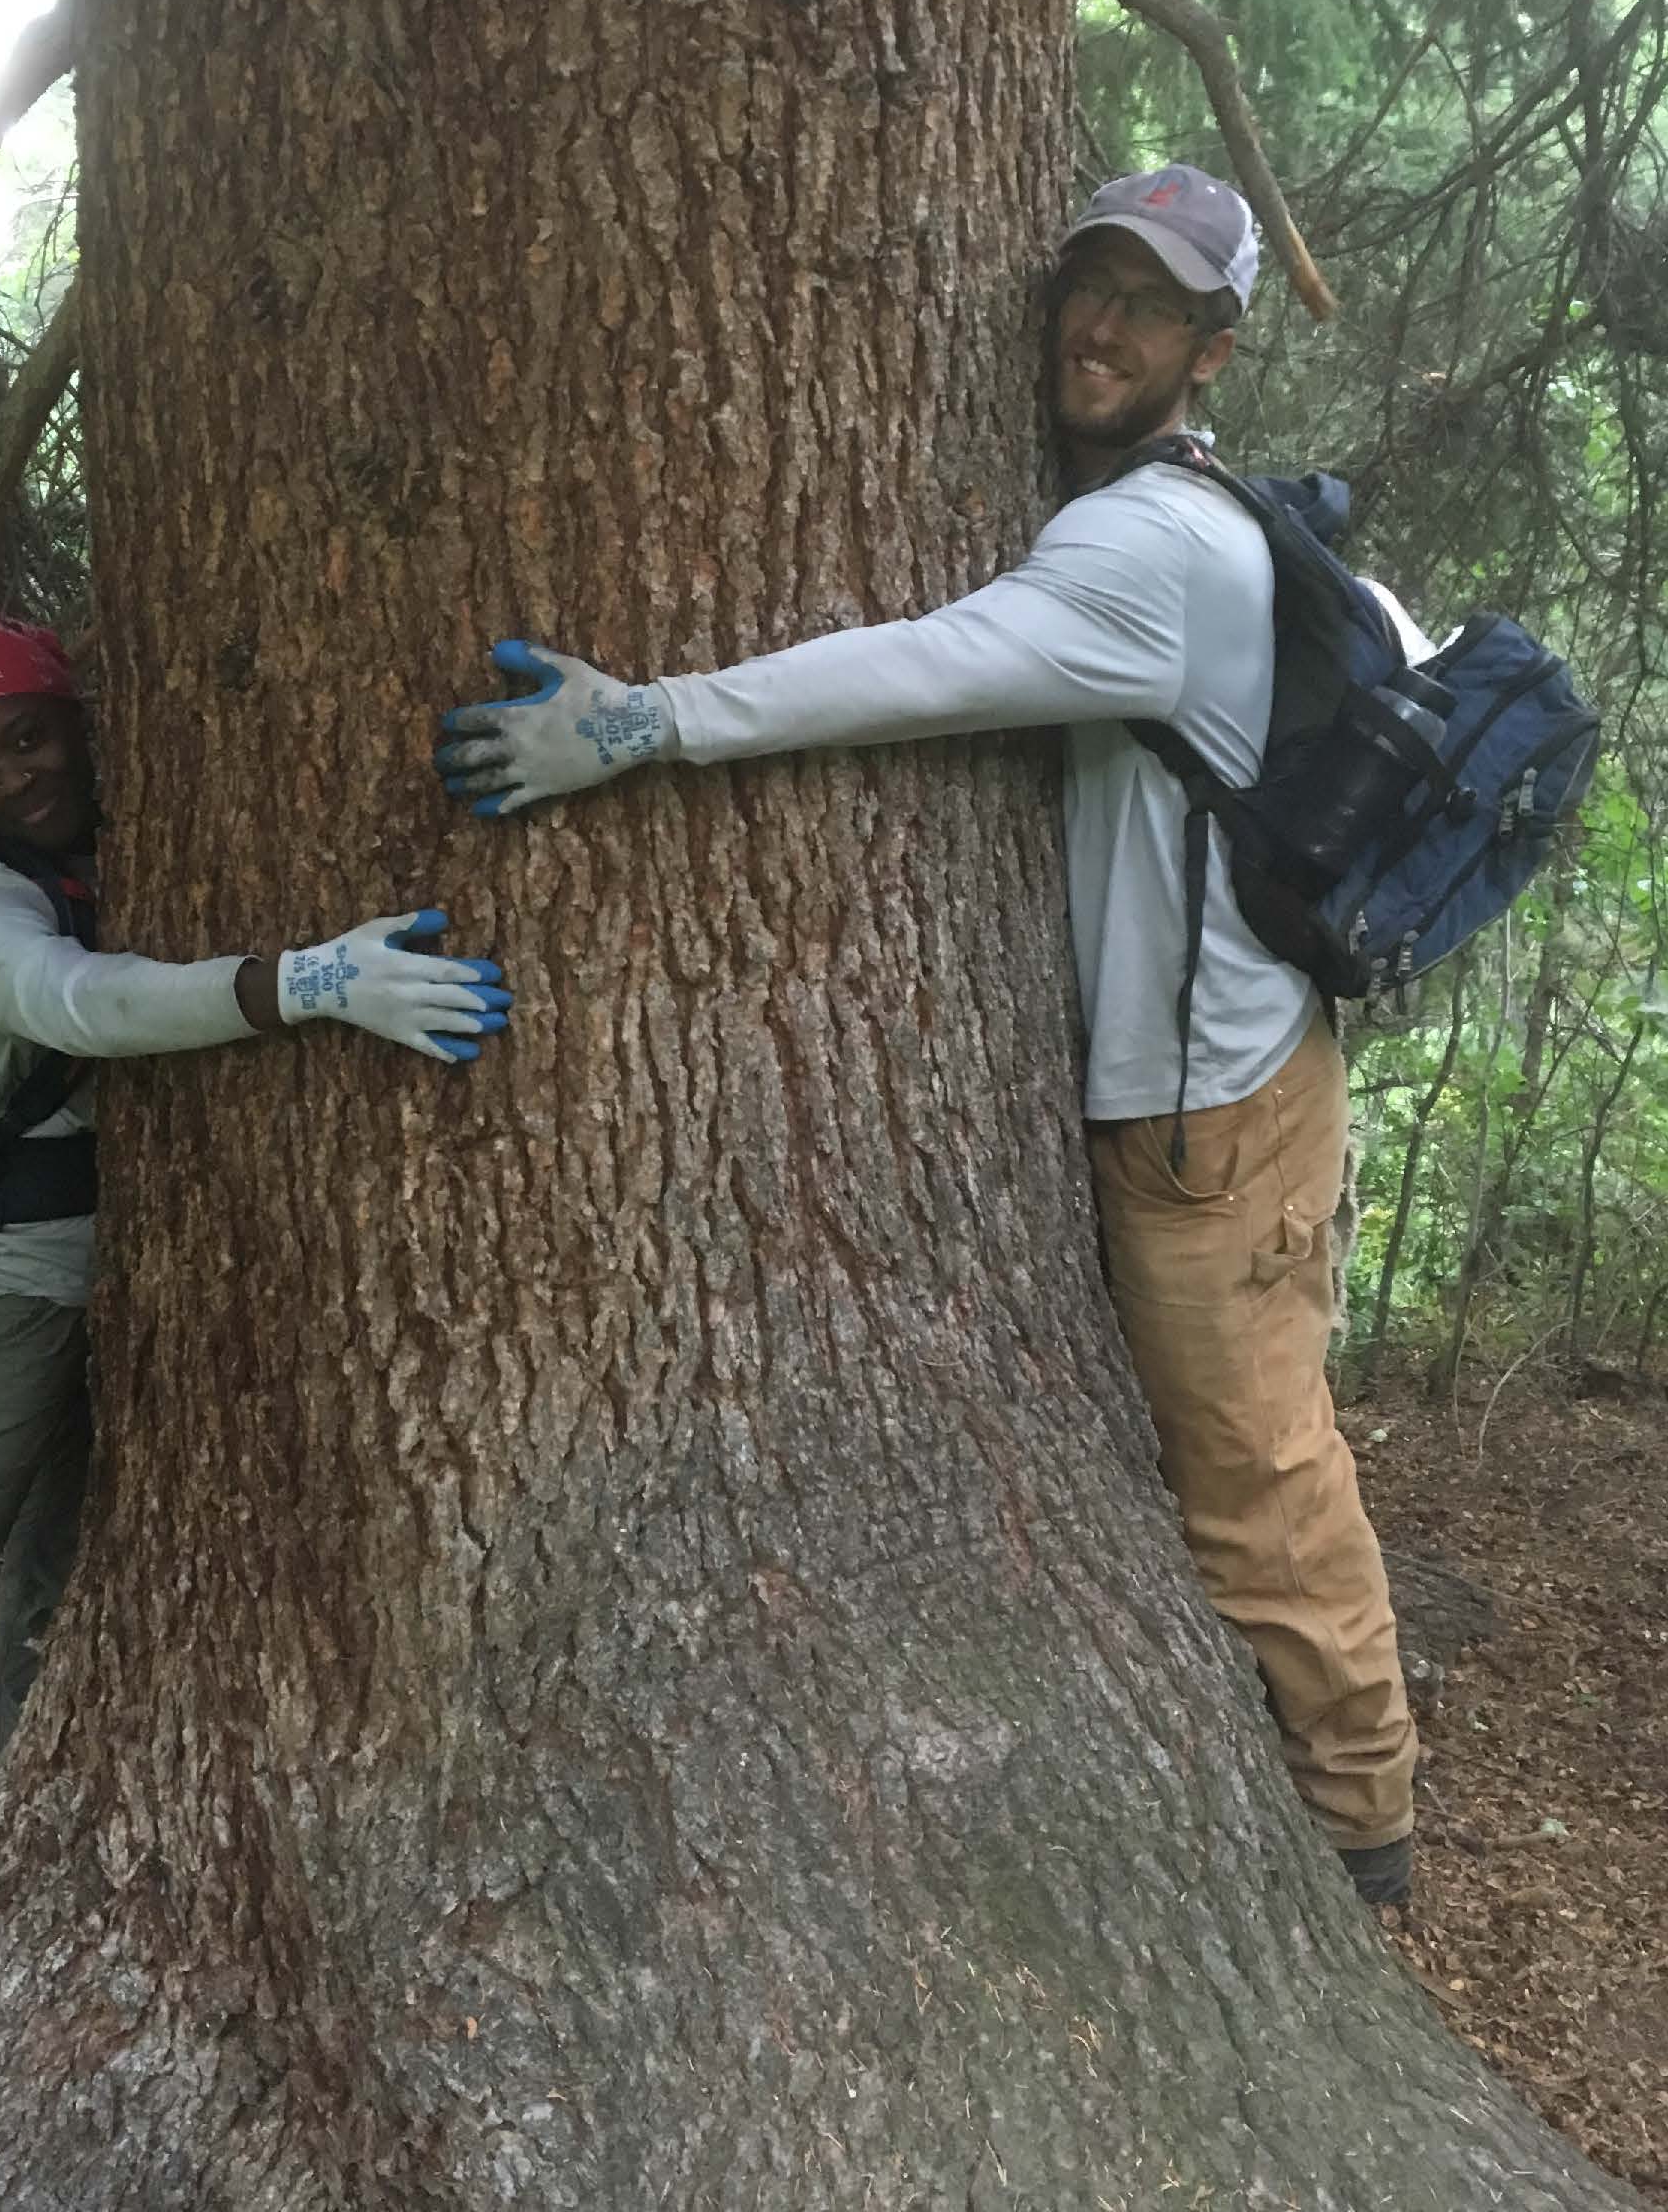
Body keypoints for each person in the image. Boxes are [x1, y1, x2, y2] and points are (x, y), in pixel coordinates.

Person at [434, 164, 1420, 1915]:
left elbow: (923, 664)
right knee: (1230, 1450)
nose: (1100, 325)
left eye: (1151, 303)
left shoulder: (1149, 542)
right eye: (1087, 287)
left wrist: (651, 719)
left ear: (1214, 344)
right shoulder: (1224, 521)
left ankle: (1356, 1829)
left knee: (1255, 1467)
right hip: (1233, 1069)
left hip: (1211, 1098)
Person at [0, 616, 513, 2128]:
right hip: (16, 1298)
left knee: (57, 1585)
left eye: (34, 733)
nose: (21, 775)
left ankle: (13, 1863)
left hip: (123, 1285)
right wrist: (301, 983)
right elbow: (78, 1002)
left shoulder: (110, 833)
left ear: (78, 713)